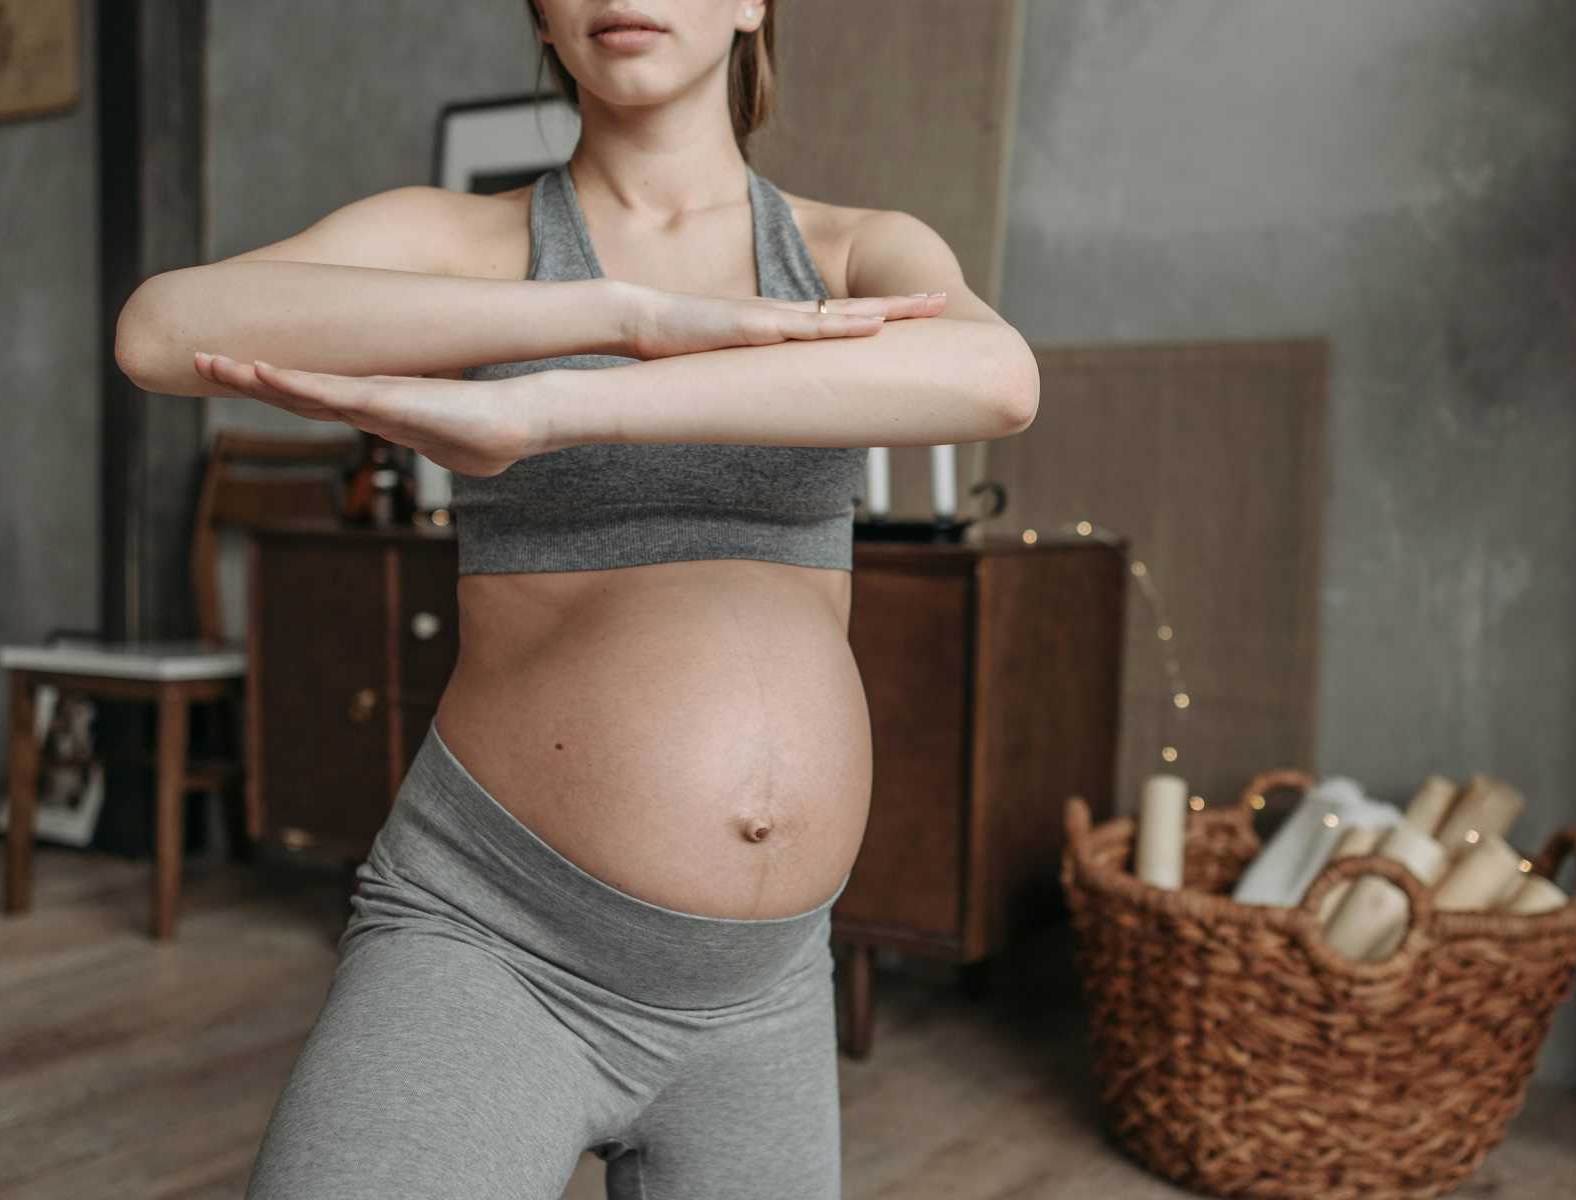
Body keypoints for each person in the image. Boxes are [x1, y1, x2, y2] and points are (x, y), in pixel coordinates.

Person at [112, 2, 1039, 1196]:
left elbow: (993, 374)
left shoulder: (856, 251)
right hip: (497, 939)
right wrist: (616, 318)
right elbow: (161, 329)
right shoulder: (466, 240)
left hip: (763, 992)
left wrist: (560, 405)